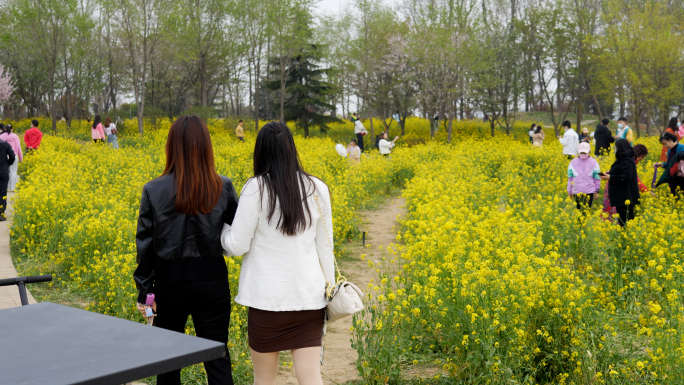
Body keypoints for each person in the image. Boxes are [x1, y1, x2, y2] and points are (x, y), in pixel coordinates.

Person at [220, 121, 334, 385]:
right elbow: (325, 249)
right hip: (309, 300)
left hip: (266, 303)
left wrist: (221, 231)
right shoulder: (317, 188)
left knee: (265, 380)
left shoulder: (255, 188)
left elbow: (236, 245)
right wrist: (329, 293)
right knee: (311, 379)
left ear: (260, 152)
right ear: (291, 148)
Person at [133, 116, 238, 385]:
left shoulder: (153, 189)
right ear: (206, 146)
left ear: (171, 146)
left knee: (167, 364)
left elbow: (145, 247)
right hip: (212, 282)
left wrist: (146, 293)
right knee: (217, 359)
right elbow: (236, 236)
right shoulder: (222, 186)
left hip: (169, 285)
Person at [600, 139, 640, 226]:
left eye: (615, 147)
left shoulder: (627, 159)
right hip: (622, 197)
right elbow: (621, 171)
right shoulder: (624, 158)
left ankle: (627, 237)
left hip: (625, 197)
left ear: (619, 148)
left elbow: (626, 176)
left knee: (626, 221)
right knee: (624, 220)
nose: (614, 149)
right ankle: (626, 235)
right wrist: (611, 172)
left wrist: (610, 177)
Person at [567, 142, 601, 212]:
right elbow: (570, 178)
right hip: (577, 191)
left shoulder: (594, 162)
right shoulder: (572, 162)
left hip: (589, 191)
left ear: (589, 151)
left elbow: (597, 178)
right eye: (581, 152)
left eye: (585, 153)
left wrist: (597, 191)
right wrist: (569, 192)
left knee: (587, 211)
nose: (583, 154)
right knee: (578, 211)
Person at [655, 131, 684, 195]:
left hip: (681, 180)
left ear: (670, 140)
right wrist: (662, 164)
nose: (665, 146)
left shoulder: (682, 148)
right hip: (672, 180)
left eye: (665, 143)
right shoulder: (669, 151)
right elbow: (670, 164)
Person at [0, 125, 22, 192]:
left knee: (5, 172)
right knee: (13, 172)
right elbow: (19, 148)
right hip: (14, 156)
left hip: (4, 156)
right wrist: (21, 158)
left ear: (5, 129)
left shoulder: (1, 136)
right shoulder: (15, 137)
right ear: (12, 129)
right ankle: (12, 188)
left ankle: (5, 187)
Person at [0, 136, 15, 221]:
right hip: (3, 172)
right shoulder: (5, 144)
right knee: (2, 193)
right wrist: (8, 163)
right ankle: (1, 213)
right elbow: (12, 156)